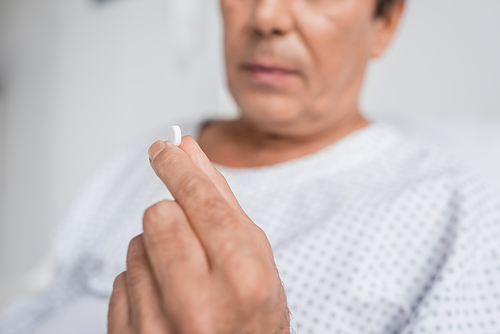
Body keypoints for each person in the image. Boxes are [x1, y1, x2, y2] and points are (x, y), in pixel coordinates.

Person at [2, 0, 500, 333]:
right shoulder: (143, 153)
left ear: (384, 23)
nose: (266, 16)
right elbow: (45, 301)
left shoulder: (451, 209)